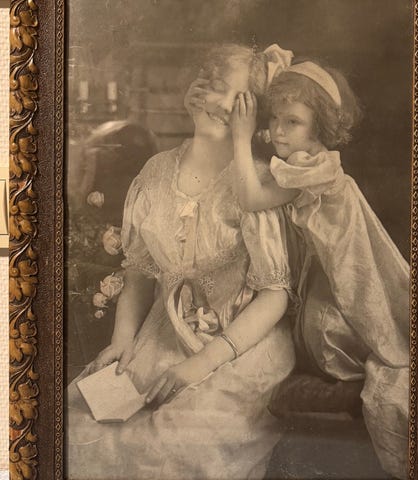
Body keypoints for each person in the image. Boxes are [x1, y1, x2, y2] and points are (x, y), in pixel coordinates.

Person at [66, 44, 300, 480]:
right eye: (204, 80)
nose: (206, 93)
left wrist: (203, 362)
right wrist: (122, 339)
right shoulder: (154, 173)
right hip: (164, 334)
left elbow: (275, 295)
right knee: (80, 429)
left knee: (169, 445)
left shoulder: (257, 182)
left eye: (222, 88)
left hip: (240, 345)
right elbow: (140, 273)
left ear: (250, 111)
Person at [229, 55, 410, 480]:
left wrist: (240, 137)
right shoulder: (308, 161)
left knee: (333, 335)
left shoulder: (315, 168)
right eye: (274, 119)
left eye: (292, 122)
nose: (277, 131)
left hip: (340, 301)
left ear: (319, 128)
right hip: (322, 282)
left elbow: (251, 198)